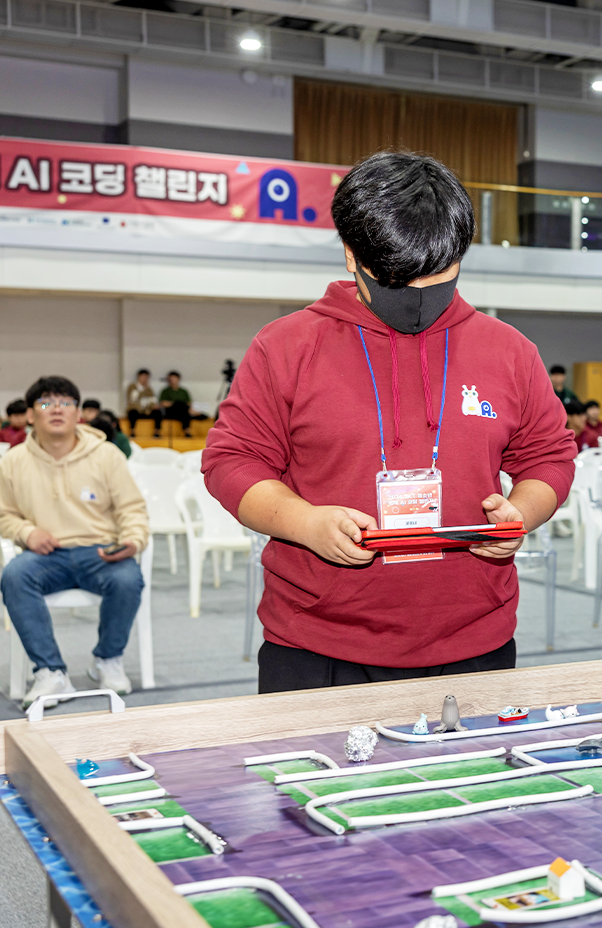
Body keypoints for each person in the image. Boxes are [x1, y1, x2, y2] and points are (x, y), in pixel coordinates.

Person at [203, 151, 576, 693]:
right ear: (353, 255)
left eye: (441, 280)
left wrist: (521, 513)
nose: (421, 303)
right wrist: (305, 524)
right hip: (318, 644)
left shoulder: (509, 350)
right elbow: (231, 462)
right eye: (401, 285)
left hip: (474, 640)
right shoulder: (287, 346)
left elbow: (549, 456)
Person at [0, 376, 148, 709]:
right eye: (46, 403)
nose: (56, 409)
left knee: (128, 578)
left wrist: (132, 540)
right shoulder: (13, 461)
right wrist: (28, 533)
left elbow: (132, 509)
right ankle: (51, 672)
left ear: (78, 414)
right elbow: (4, 515)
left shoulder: (106, 455)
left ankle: (107, 660)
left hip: (99, 552)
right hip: (46, 556)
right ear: (30, 415)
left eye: (66, 402)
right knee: (14, 575)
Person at [156, 371, 196, 437]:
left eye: (174, 378)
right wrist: (174, 403)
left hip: (182, 412)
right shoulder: (165, 391)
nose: (172, 381)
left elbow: (189, 404)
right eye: (171, 379)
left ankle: (187, 431)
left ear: (178, 379)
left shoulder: (184, 391)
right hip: (170, 412)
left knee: (183, 408)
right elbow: (162, 403)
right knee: (178, 404)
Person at [125, 369, 157, 437]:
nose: (145, 379)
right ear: (138, 377)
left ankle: (157, 432)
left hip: (147, 411)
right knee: (133, 413)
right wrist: (142, 390)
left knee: (157, 412)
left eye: (146, 377)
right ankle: (132, 431)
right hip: (136, 410)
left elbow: (152, 401)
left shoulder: (149, 389)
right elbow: (133, 400)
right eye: (143, 377)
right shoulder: (132, 386)